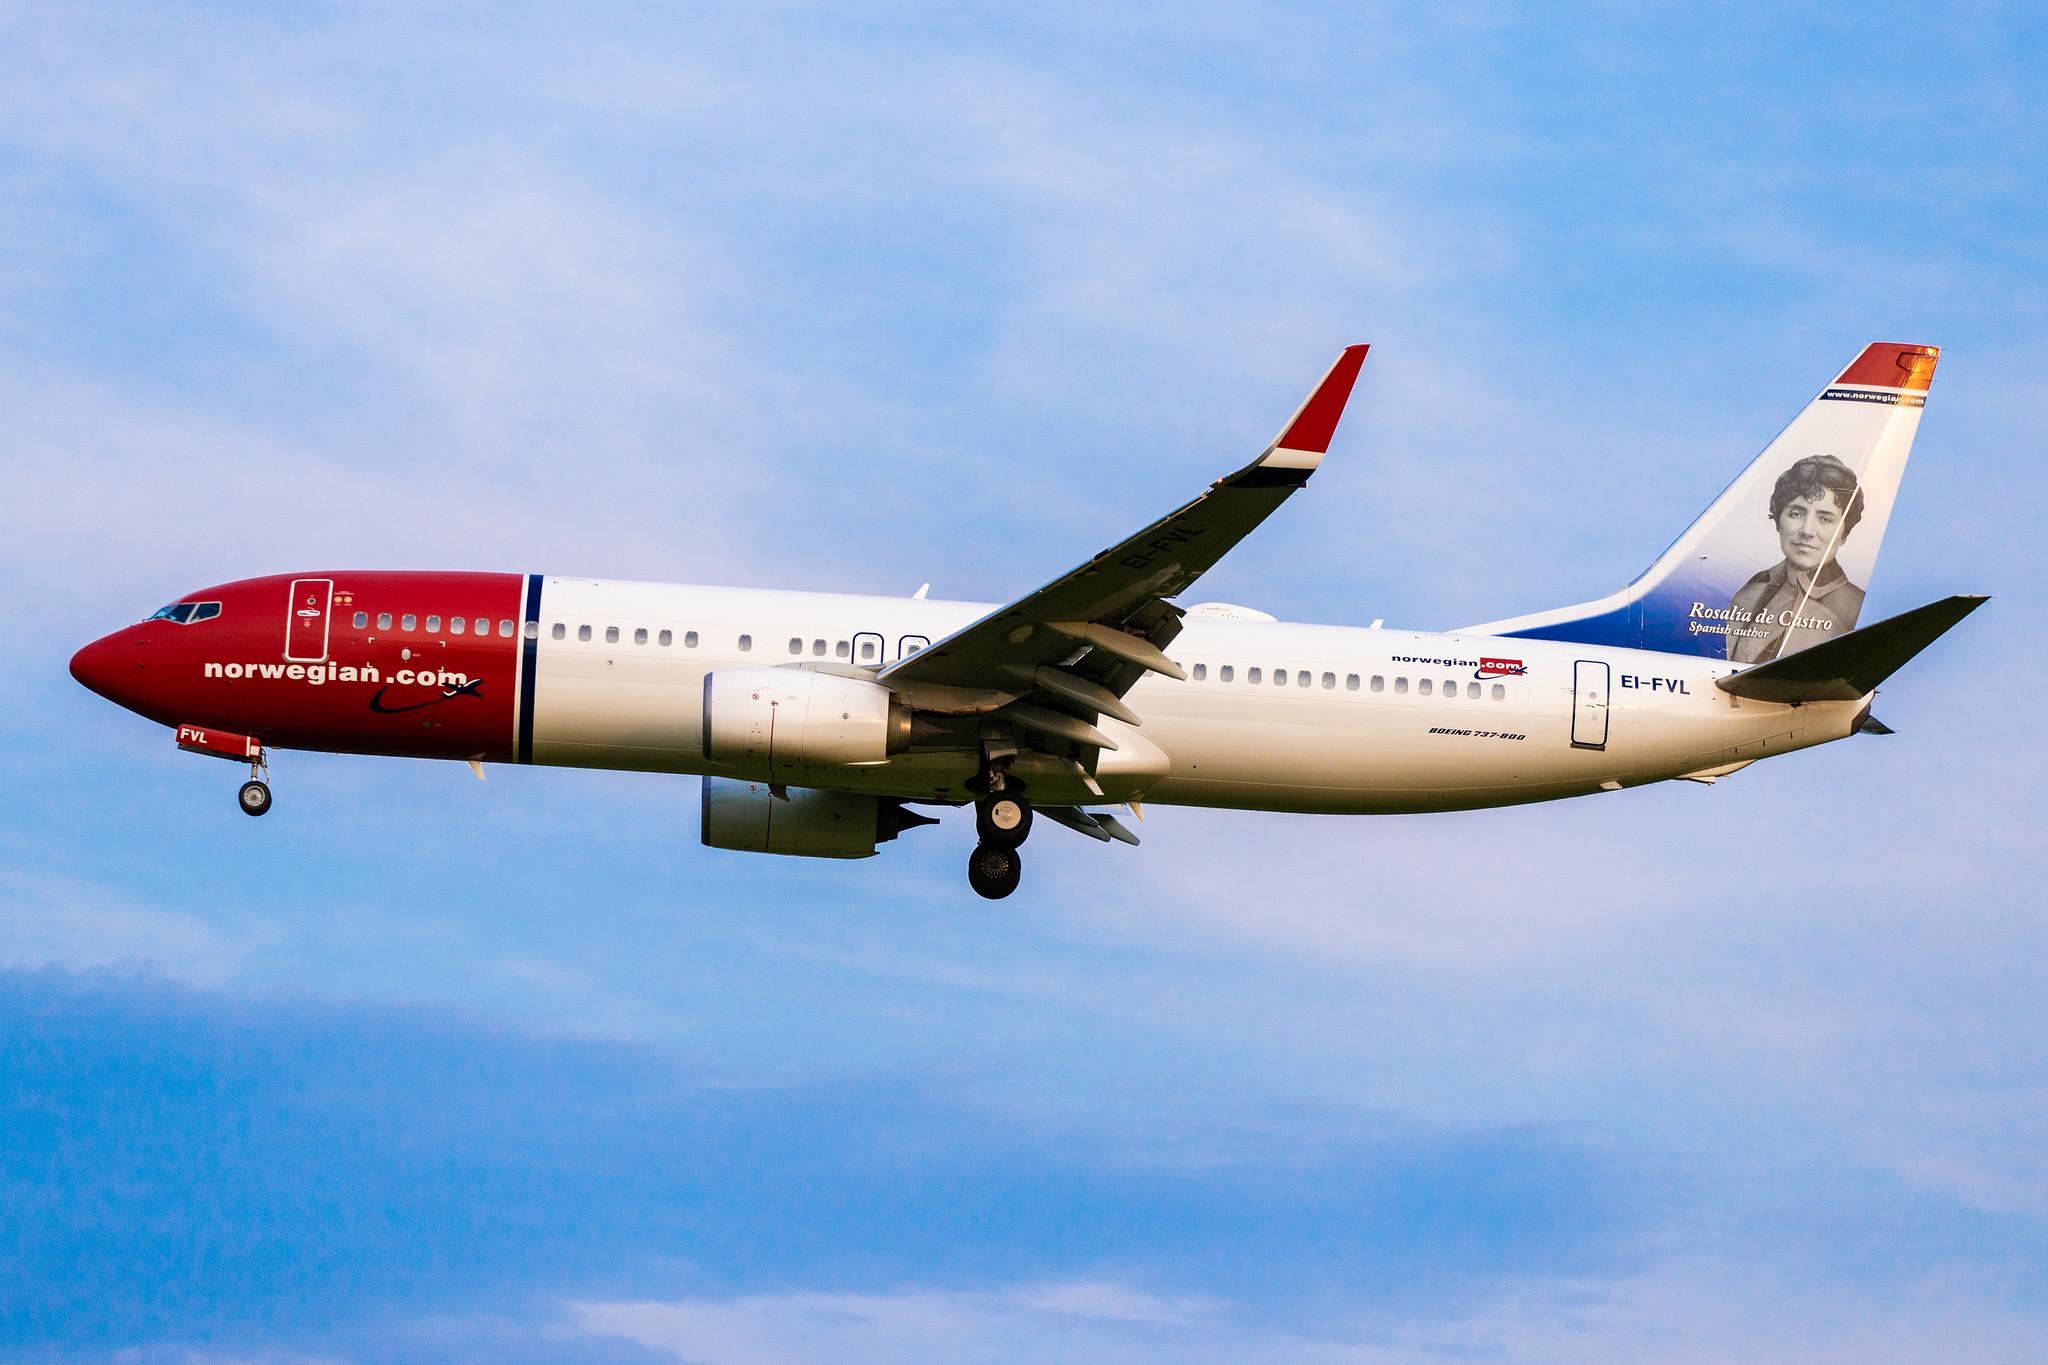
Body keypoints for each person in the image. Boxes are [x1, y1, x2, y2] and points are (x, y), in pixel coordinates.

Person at [1726, 454, 1866, 663]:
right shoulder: (1751, 590)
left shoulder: (1854, 608)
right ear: (1778, 520)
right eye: (1796, 514)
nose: (1807, 531)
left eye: (1825, 518)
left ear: (1844, 532)